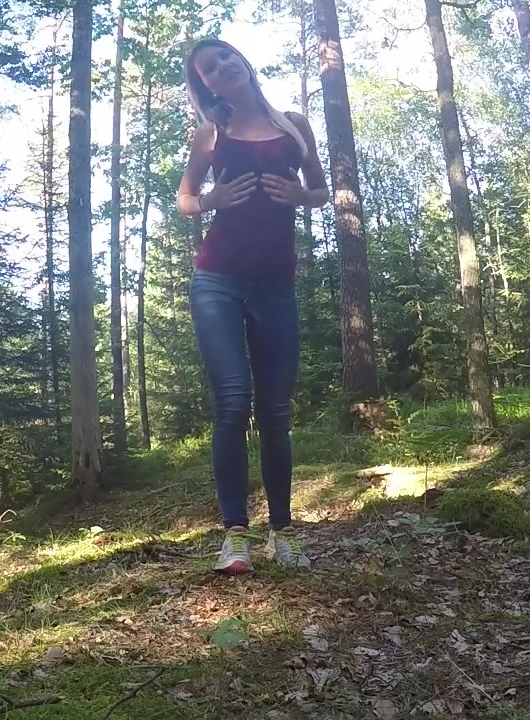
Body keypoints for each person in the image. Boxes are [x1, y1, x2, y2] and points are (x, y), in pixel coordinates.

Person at [176, 39, 330, 574]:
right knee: (233, 401)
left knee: (276, 410)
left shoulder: (293, 126)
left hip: (275, 283)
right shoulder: (210, 134)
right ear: (206, 86)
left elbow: (321, 191)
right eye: (209, 68)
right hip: (216, 279)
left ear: (243, 61)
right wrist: (210, 201)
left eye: (225, 57)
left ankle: (282, 532)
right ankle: (235, 535)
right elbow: (186, 199)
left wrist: (301, 197)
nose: (222, 67)